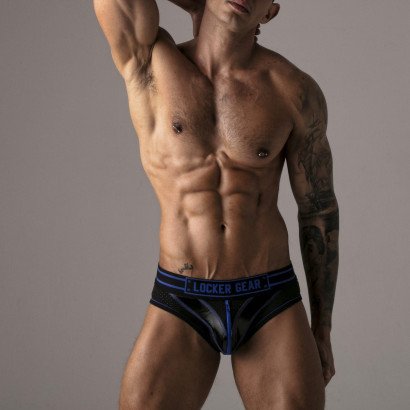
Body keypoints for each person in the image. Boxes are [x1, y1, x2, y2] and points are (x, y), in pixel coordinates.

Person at [93, 0, 339, 409]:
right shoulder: (150, 63)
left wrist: (323, 327)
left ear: (270, 11)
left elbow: (319, 211)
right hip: (182, 296)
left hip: (270, 297)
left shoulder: (293, 91)